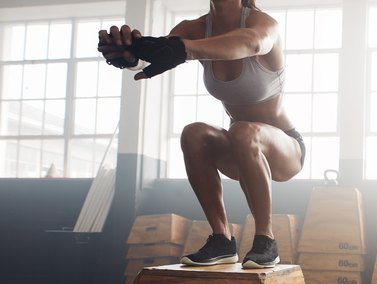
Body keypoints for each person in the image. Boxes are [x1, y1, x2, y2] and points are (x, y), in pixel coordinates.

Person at [98, 0, 304, 269]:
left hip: (284, 149)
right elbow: (156, 55)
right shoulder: (193, 29)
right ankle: (222, 240)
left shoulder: (262, 23)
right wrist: (129, 54)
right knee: (193, 133)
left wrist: (184, 49)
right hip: (240, 149)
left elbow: (252, 43)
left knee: (243, 130)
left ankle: (266, 240)